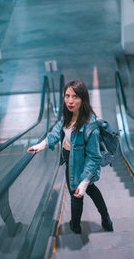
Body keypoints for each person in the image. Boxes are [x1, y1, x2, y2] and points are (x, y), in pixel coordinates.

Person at [27, 80, 113, 234]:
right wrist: (42, 144)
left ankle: (77, 226)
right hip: (70, 160)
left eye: (75, 97)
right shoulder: (68, 114)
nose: (70, 101)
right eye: (67, 96)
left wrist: (85, 180)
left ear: (83, 99)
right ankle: (104, 218)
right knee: (87, 191)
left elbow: (94, 157)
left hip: (83, 163)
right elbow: (57, 131)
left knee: (78, 194)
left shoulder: (90, 128)